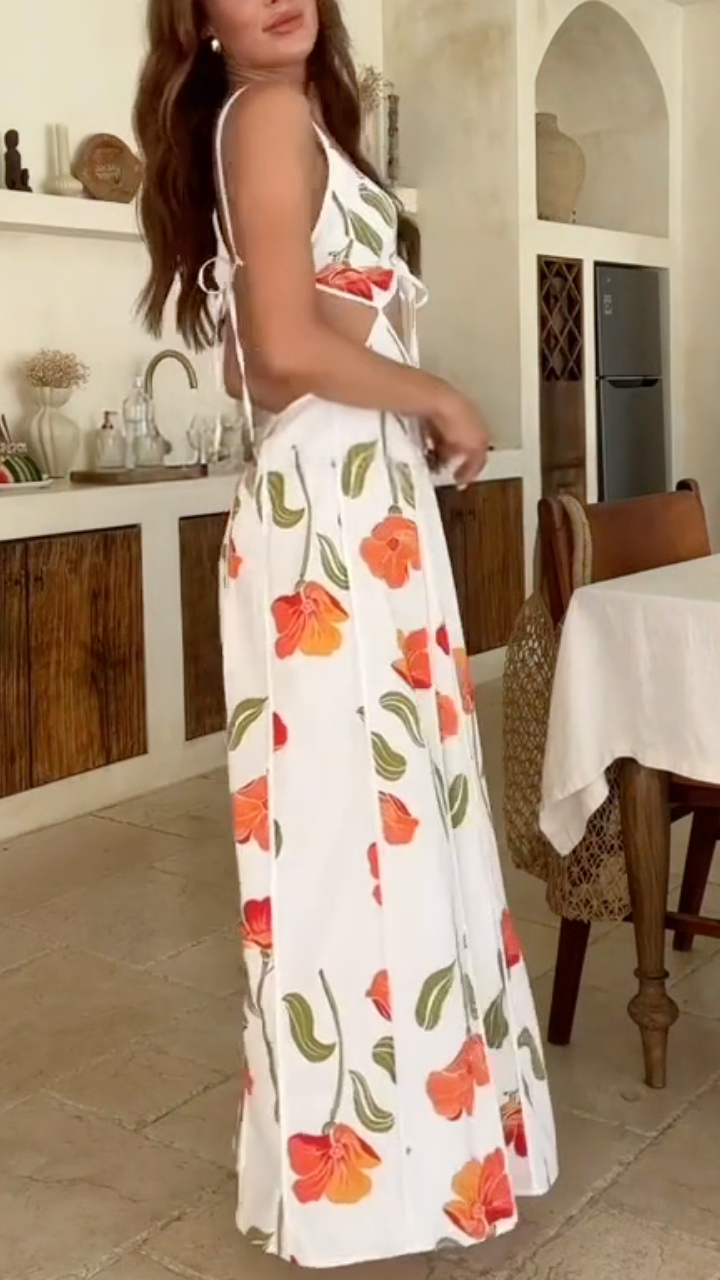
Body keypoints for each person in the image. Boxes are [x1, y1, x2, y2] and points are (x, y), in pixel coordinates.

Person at [134, 0, 557, 1267]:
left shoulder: (292, 122)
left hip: (353, 510)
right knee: (354, 836)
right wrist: (437, 390)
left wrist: (381, 376)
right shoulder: (266, 112)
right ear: (199, 22)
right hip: (331, 518)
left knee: (379, 824)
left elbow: (255, 362)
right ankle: (381, 1173)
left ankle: (409, 1160)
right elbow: (277, 345)